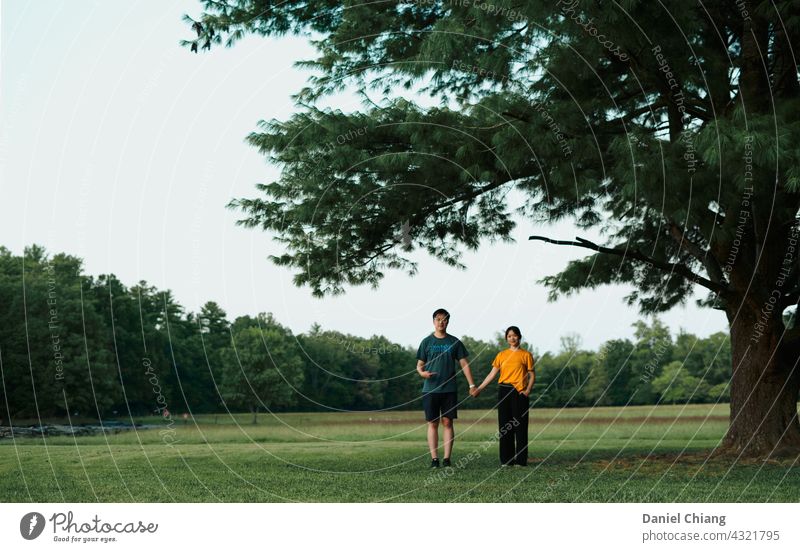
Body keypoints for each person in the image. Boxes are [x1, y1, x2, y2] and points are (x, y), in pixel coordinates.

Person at [416, 308, 477, 468]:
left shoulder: (454, 342)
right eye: (438, 319)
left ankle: (447, 458)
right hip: (430, 389)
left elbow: (464, 364)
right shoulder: (426, 342)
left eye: (444, 319)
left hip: (449, 389)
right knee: (432, 423)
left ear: (448, 322)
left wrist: (472, 385)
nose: (441, 322)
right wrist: (422, 374)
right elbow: (419, 365)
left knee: (448, 422)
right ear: (433, 321)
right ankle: (435, 459)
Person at [472, 326, 534, 467]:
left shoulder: (526, 355)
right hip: (504, 391)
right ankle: (507, 460)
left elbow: (532, 375)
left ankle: (521, 461)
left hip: (520, 393)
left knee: (520, 426)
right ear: (506, 338)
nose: (512, 338)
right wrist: (479, 389)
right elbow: (492, 374)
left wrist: (528, 390)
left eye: (514, 335)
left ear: (519, 337)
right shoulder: (501, 355)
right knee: (505, 426)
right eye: (509, 336)